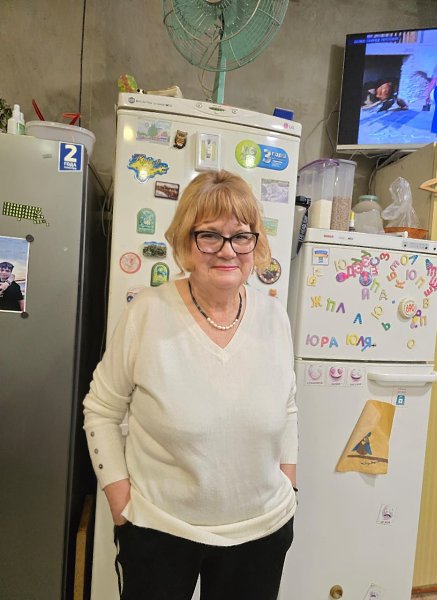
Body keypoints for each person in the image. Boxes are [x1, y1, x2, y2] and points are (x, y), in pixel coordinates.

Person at [83, 170, 298, 600]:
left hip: (262, 531)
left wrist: (289, 482)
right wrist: (120, 502)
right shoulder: (147, 313)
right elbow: (101, 410)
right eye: (210, 235)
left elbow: (288, 405)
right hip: (160, 530)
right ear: (185, 242)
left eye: (241, 236)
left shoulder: (274, 317)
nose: (228, 250)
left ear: (255, 243)